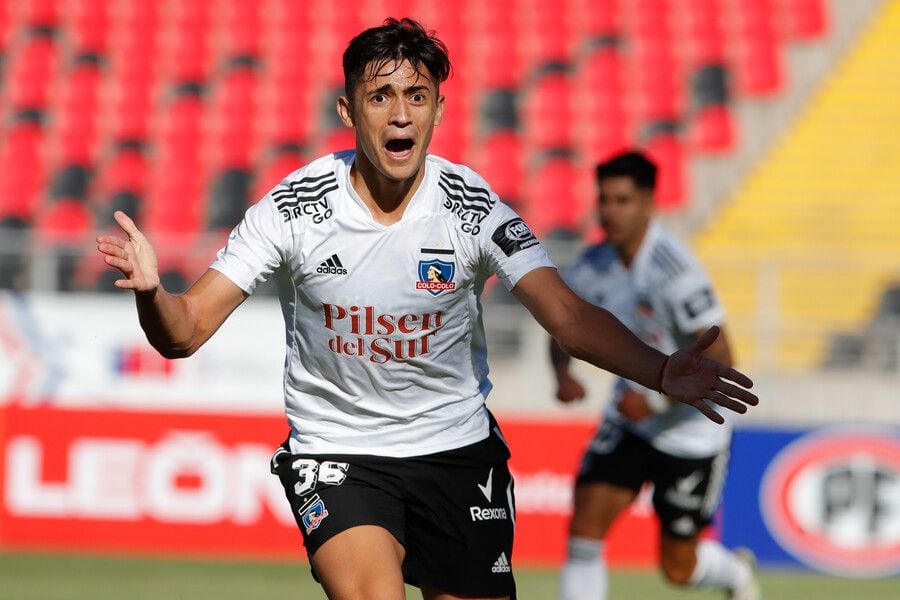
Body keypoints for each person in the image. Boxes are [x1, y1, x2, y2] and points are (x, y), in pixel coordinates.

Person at [97, 19, 757, 600]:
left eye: (417, 96)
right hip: (339, 450)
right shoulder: (293, 208)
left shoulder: (471, 206)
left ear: (439, 110)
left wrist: (660, 370)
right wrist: (155, 295)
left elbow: (569, 317)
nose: (401, 114)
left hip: (456, 452)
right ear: (348, 108)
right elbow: (184, 333)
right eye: (380, 96)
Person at [551, 151, 761, 600]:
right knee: (584, 528)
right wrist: (562, 373)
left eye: (623, 200)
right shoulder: (592, 265)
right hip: (630, 419)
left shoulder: (676, 272)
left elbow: (725, 359)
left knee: (677, 569)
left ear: (649, 203)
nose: (610, 211)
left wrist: (656, 401)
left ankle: (735, 574)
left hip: (692, 431)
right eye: (604, 199)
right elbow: (564, 322)